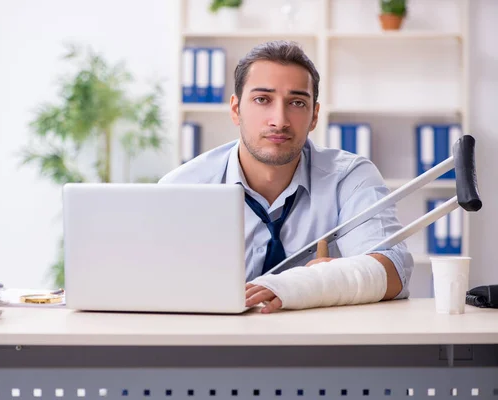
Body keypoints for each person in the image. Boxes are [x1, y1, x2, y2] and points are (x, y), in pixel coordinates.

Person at [159, 40, 413, 313]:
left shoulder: (349, 177)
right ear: (236, 110)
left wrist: (315, 283)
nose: (279, 120)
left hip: (322, 347)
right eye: (262, 100)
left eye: (296, 102)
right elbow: (153, 283)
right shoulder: (182, 188)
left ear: (314, 116)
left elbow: (395, 270)